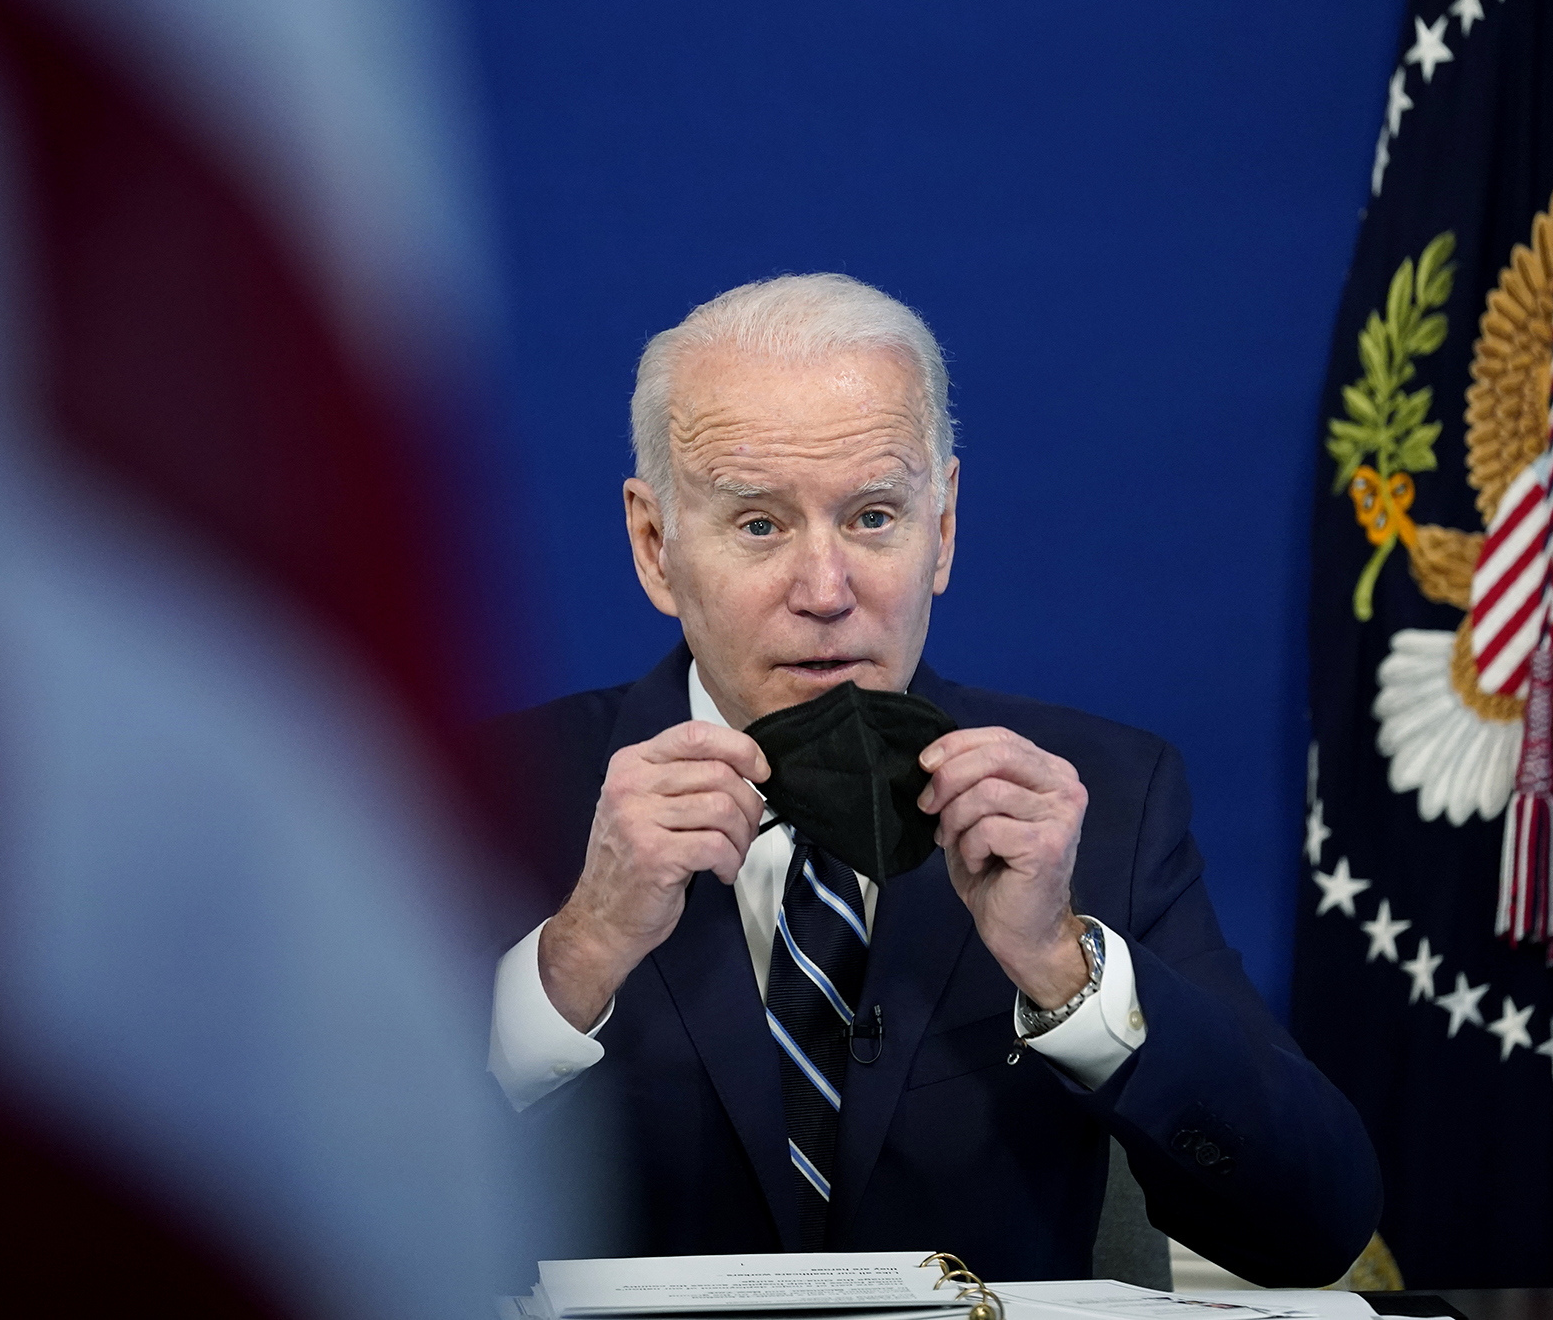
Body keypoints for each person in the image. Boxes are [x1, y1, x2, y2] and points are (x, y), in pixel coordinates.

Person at [485, 274, 1380, 1283]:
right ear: (655, 545)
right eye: (758, 526)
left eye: (872, 517)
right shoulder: (483, 792)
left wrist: (1065, 968)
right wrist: (576, 956)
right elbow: (324, 1206)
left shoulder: (1107, 799)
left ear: (941, 527)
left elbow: (1314, 1222)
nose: (825, 592)